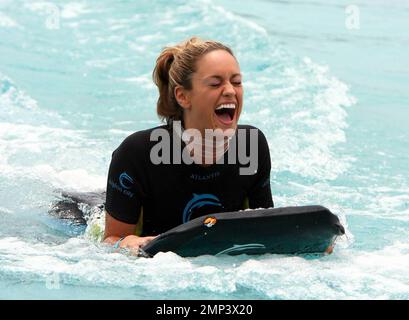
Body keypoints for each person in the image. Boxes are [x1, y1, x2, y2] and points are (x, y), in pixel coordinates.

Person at [103, 37, 274, 252]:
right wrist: (123, 243)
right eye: (215, 83)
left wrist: (307, 241)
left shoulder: (251, 146)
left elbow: (267, 232)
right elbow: (111, 240)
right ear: (183, 96)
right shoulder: (138, 152)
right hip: (89, 211)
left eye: (237, 82)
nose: (231, 90)